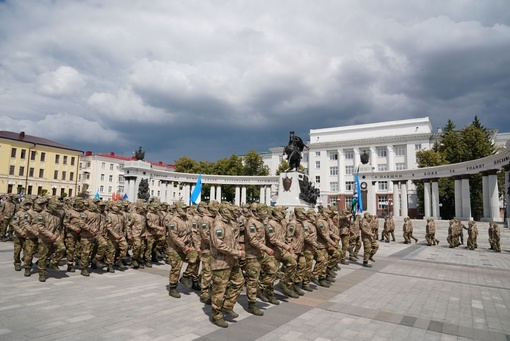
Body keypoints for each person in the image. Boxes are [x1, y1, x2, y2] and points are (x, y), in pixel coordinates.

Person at [209, 203, 245, 328]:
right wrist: (236, 252)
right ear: (225, 211)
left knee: (239, 282)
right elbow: (219, 244)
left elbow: (232, 240)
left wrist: (237, 246)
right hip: (221, 263)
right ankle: (216, 315)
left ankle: (227, 306)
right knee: (219, 290)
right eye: (232, 211)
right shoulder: (218, 224)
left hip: (231, 261)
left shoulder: (229, 223)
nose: (235, 213)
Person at [166, 202, 198, 298]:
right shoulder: (173, 221)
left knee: (195, 258)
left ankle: (185, 277)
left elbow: (192, 233)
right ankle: (173, 288)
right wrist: (183, 246)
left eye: (186, 209)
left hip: (187, 246)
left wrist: (196, 246)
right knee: (176, 269)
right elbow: (173, 236)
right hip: (175, 249)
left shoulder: (187, 219)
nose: (185, 210)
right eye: (183, 209)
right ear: (178, 209)